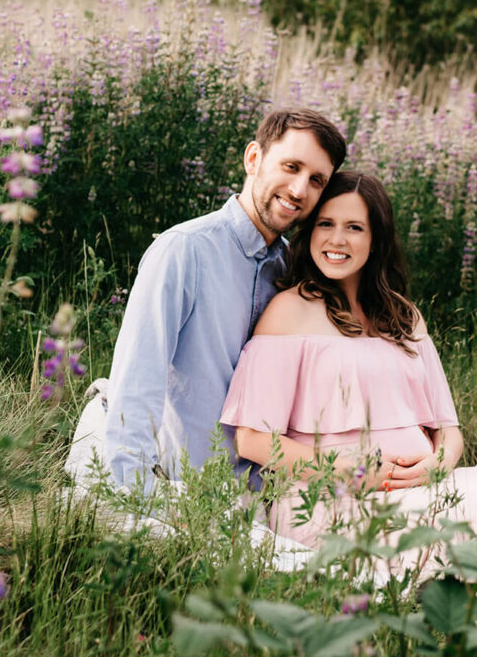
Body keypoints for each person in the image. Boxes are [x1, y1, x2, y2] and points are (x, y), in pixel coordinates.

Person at [221, 172, 477, 565]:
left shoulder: (404, 318)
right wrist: (347, 472)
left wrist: (439, 464)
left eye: (354, 227)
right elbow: (252, 439)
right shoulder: (289, 311)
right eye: (325, 224)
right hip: (331, 505)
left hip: (419, 491)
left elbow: (448, 430)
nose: (337, 239)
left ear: (376, 240)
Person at [79, 108, 349, 495]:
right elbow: (138, 380)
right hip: (174, 490)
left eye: (316, 181)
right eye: (291, 167)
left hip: (259, 499)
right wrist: (134, 498)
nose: (299, 190)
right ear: (253, 158)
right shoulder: (185, 250)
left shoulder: (295, 274)